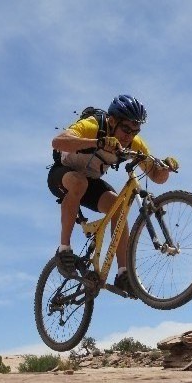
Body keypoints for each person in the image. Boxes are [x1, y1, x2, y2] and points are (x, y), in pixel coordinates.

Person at [47, 94, 179, 295]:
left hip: (91, 183)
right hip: (63, 174)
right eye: (126, 129)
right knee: (78, 182)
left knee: (119, 205)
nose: (129, 136)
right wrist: (96, 142)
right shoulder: (92, 125)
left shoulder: (134, 142)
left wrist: (166, 169)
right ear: (112, 120)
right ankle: (64, 250)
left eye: (135, 131)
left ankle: (123, 273)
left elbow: (156, 177)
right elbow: (58, 142)